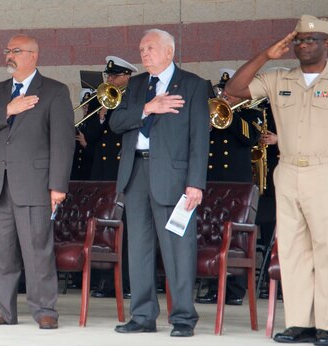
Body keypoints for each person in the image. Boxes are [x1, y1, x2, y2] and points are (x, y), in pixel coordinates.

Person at [224, 15, 328, 346]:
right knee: (291, 252)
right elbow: (233, 90)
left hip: (326, 172)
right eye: (299, 41)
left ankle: (325, 327)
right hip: (288, 172)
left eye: (311, 40)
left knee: (326, 251)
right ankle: (298, 323)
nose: (304, 45)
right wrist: (266, 55)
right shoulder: (279, 79)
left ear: (326, 44)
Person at [109, 28, 210, 337]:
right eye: (141, 49)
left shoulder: (193, 85)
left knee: (178, 247)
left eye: (150, 48)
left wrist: (196, 182)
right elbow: (116, 123)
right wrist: (147, 108)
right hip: (136, 172)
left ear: (169, 51)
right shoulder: (136, 85)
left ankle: (182, 318)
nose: (144, 53)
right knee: (138, 247)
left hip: (175, 178)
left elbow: (199, 138)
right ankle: (142, 316)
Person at [0, 34, 75, 330]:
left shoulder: (54, 91)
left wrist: (59, 186)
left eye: (16, 51)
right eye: (7, 50)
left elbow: (63, 143)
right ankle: (5, 310)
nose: (9, 56)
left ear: (33, 56)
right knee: (1, 254)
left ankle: (45, 310)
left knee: (37, 251)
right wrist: (8, 110)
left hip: (35, 184)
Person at [196, 69, 262, 306]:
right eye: (224, 91)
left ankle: (235, 289)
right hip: (211, 182)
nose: (225, 96)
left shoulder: (252, 113)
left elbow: (250, 138)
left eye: (231, 93)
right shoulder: (210, 111)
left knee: (235, 236)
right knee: (211, 234)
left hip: (236, 185)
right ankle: (213, 285)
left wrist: (230, 116)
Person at [84, 56, 136, 299]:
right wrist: (101, 114)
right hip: (102, 174)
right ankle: (103, 282)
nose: (111, 80)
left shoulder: (134, 99)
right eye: (109, 76)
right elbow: (90, 135)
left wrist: (112, 113)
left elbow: (124, 129)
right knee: (102, 229)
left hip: (123, 173)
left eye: (115, 76)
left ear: (127, 77)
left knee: (123, 230)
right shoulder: (101, 99)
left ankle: (124, 283)